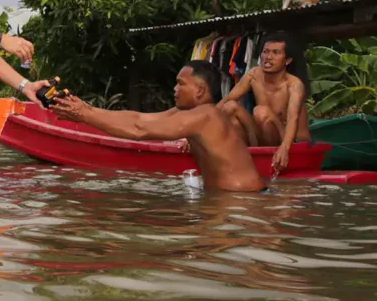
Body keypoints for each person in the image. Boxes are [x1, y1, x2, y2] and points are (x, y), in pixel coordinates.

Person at [51, 61, 265, 192]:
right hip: (234, 200)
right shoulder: (190, 113)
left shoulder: (206, 115)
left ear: (200, 90)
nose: (174, 89)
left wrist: (84, 115)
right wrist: (86, 109)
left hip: (244, 202)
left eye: (181, 84)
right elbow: (140, 119)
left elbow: (139, 130)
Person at [218, 32, 310, 171]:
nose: (268, 57)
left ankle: (252, 157)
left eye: (276, 53)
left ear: (288, 60)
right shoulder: (253, 75)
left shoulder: (294, 85)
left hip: (292, 143)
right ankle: (245, 159)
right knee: (230, 107)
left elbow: (293, 118)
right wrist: (197, 132)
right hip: (262, 137)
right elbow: (226, 100)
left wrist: (284, 149)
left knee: (260, 111)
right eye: (265, 52)